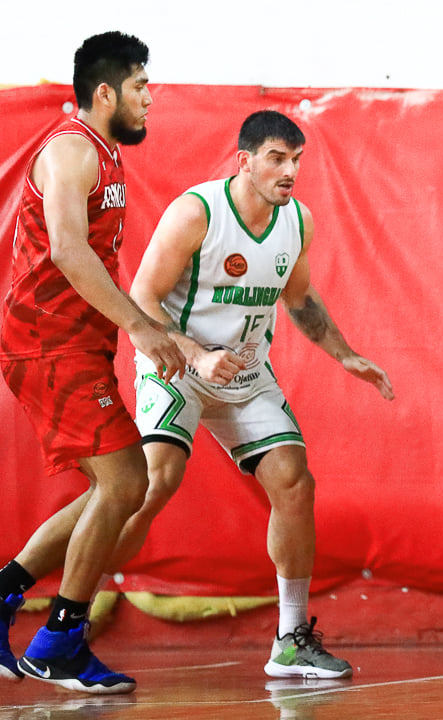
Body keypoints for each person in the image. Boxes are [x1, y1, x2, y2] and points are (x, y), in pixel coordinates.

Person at [107, 110, 394, 679]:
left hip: (244, 372)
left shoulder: (297, 222)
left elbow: (301, 300)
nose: (290, 171)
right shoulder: (198, 211)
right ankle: (68, 607)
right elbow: (141, 297)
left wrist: (345, 353)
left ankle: (290, 641)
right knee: (153, 482)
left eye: (297, 160)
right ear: (245, 161)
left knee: (294, 481)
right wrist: (195, 355)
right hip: (176, 361)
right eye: (277, 159)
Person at [0, 32, 185, 695]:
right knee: (127, 484)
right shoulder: (71, 151)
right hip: (48, 345)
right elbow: (71, 252)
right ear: (105, 92)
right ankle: (59, 640)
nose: (148, 99)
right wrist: (141, 324)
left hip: (76, 345)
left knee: (118, 486)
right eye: (139, 87)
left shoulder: (102, 154)